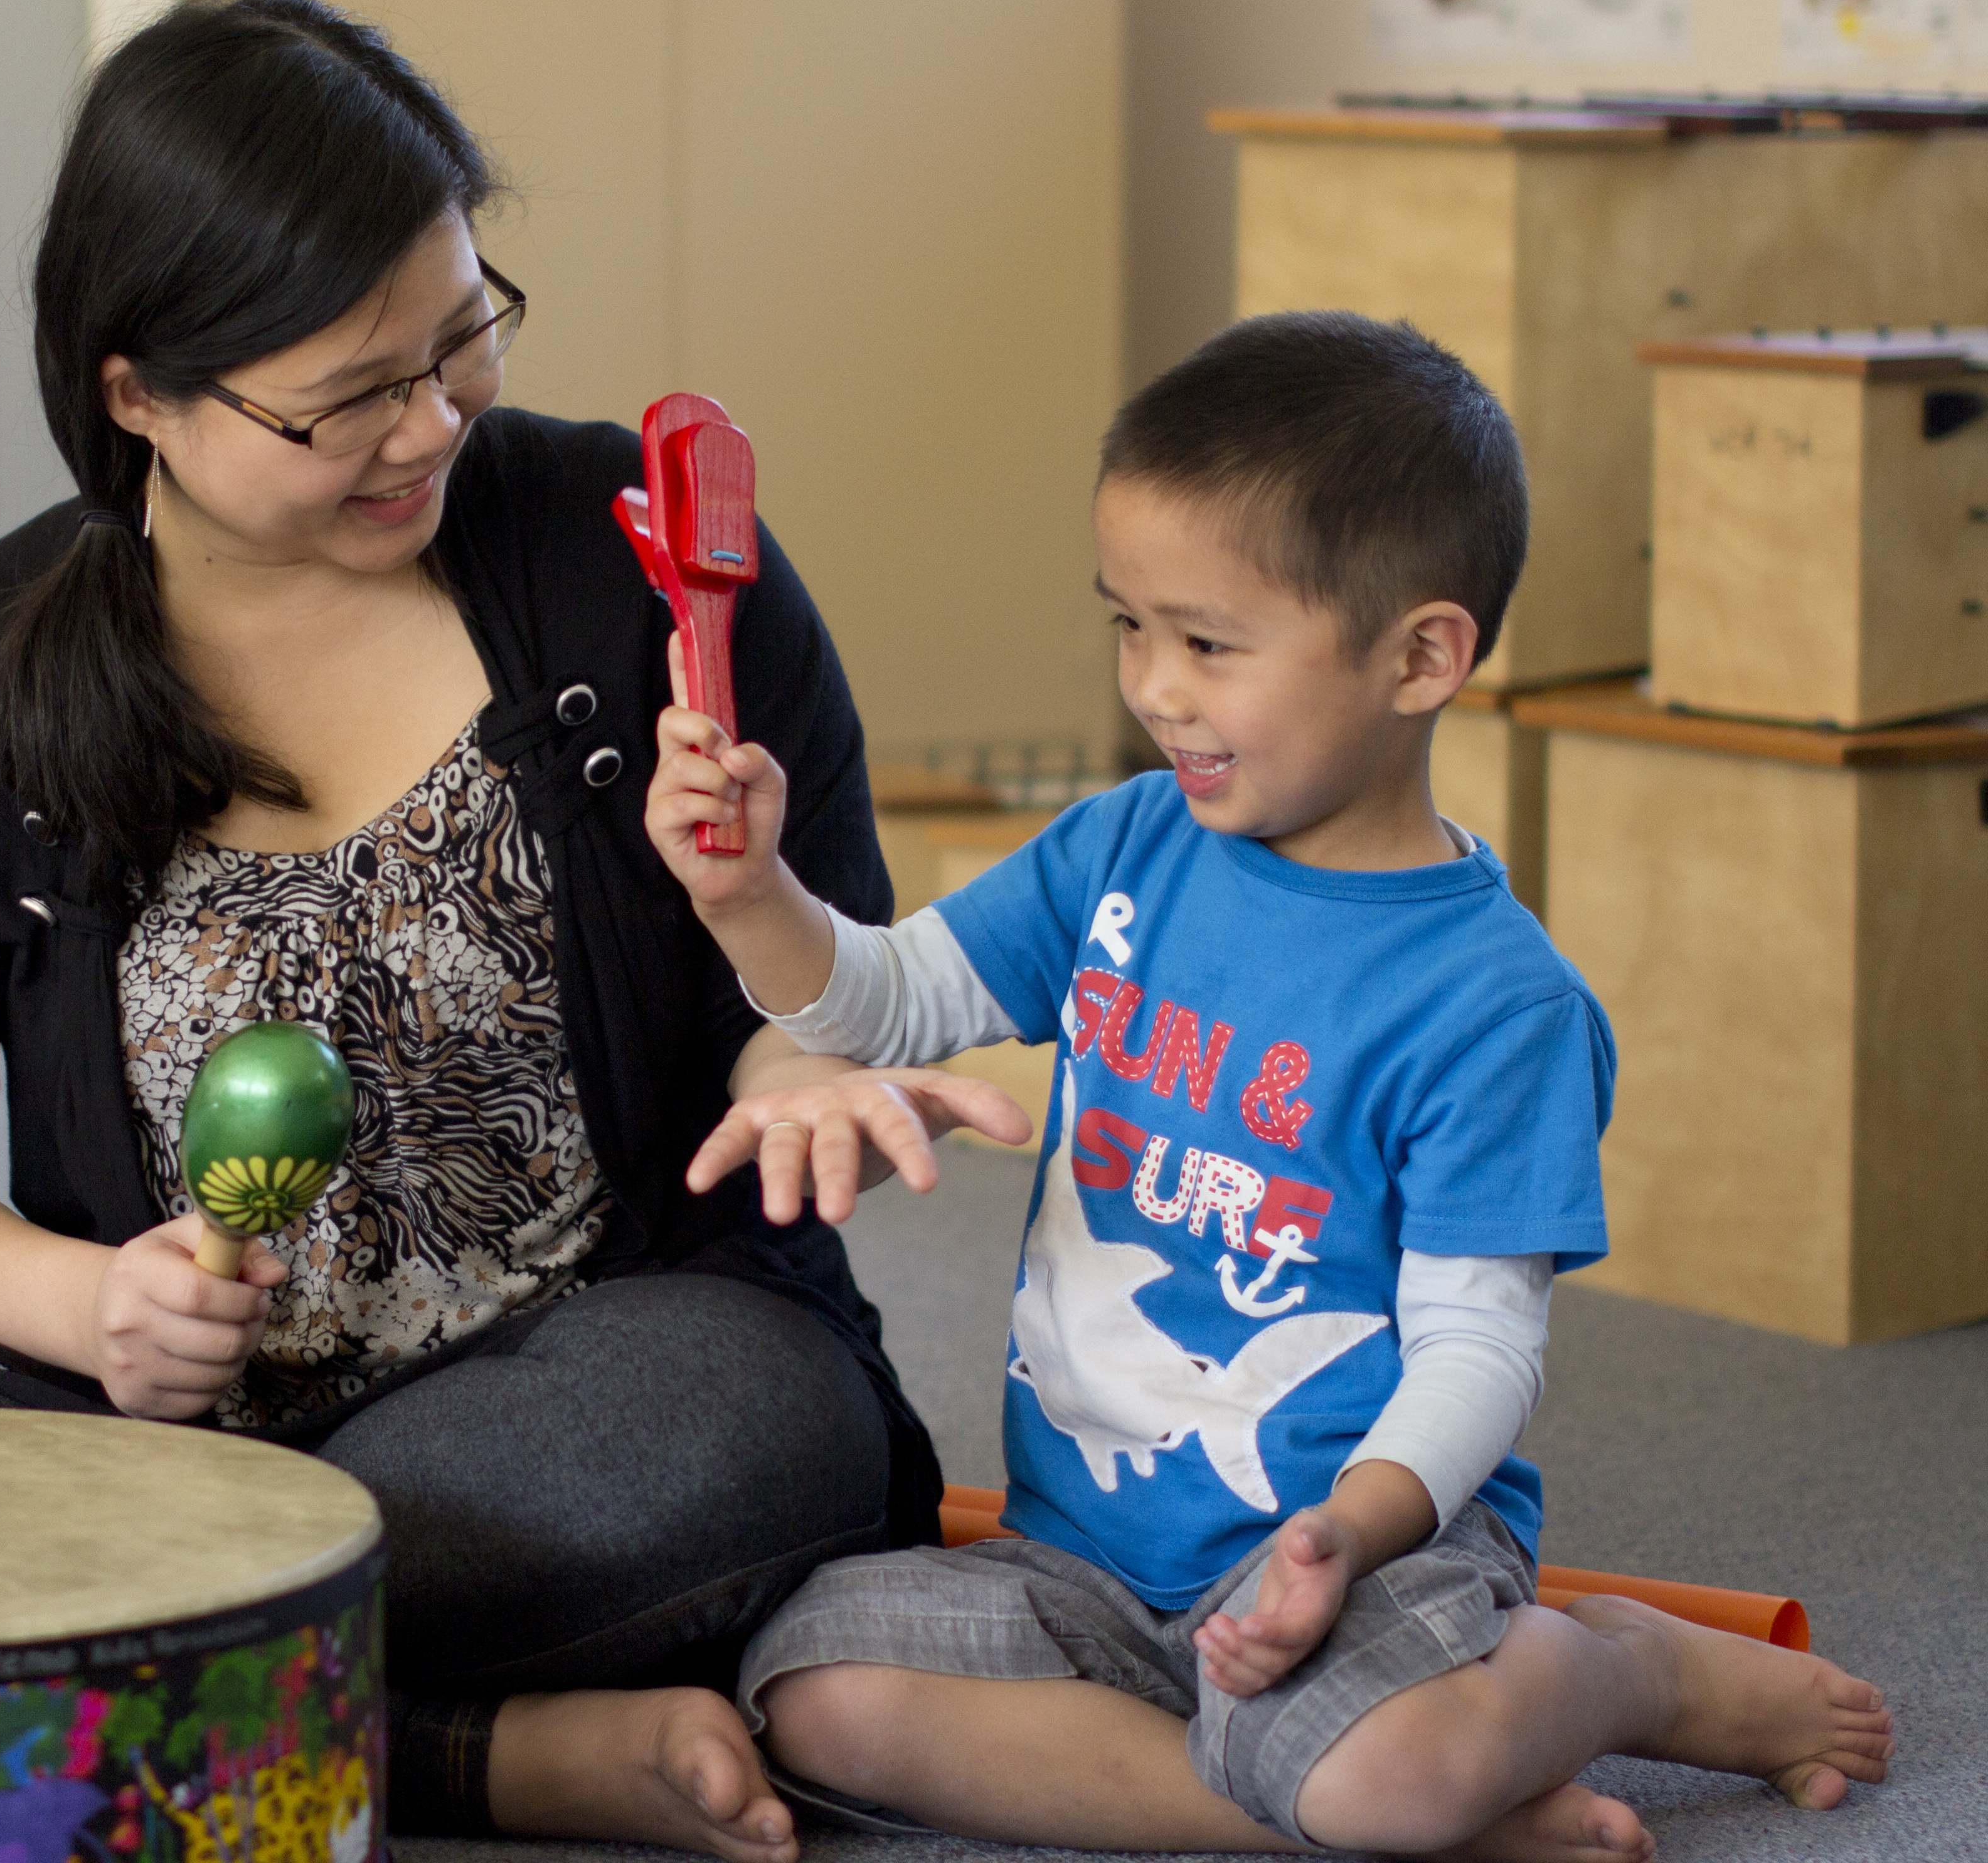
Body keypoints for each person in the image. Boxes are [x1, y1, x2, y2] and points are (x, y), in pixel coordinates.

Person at [0, 0, 1016, 1859]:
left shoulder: (628, 551)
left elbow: (819, 968)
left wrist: (805, 1061)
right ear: (136, 393)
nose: (431, 426)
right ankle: (464, 1752)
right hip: (116, 1422)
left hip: (585, 1373)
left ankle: (111, 1677)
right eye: (345, 401)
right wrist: (86, 1308)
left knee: (728, 1439)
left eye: (463, 337)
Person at [641, 312, 1895, 1860]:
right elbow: (887, 1000)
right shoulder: (1123, 849)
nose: (1156, 689)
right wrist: (750, 892)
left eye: (1210, 643)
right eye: (1130, 627)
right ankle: (1362, 1815)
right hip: (1085, 1559)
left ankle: (1630, 1668)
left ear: (1422, 656)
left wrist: (1339, 1538)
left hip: (1373, 1562)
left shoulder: (1495, 1008)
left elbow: (1477, 1348)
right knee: (816, 1692)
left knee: (1386, 1764)